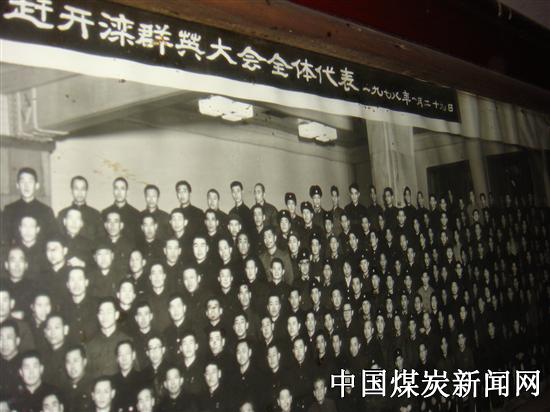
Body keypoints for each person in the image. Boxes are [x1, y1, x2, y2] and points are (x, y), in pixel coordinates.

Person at [3, 167, 57, 244]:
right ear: (17, 185)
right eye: (23, 182)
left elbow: (53, 238)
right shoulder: (9, 210)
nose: (26, 186)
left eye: (30, 182)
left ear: (37, 185)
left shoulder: (46, 211)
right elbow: (4, 239)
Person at [57, 176, 103, 242]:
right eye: (76, 189)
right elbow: (58, 238)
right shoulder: (62, 214)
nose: (80, 192)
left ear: (86, 191)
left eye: (83, 189)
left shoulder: (95, 214)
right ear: (71, 191)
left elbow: (100, 239)